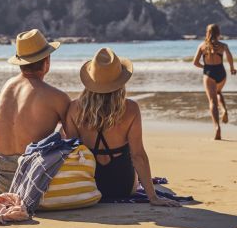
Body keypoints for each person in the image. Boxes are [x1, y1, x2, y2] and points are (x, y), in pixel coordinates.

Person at [65, 47, 179, 206]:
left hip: (90, 185)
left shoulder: (73, 109)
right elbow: (138, 155)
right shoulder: (131, 109)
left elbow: (73, 152)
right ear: (121, 81)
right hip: (123, 185)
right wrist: (153, 197)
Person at [0, 29, 70, 193]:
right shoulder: (57, 97)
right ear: (47, 60)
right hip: (30, 180)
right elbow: (75, 132)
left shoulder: (7, 86)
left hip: (0, 181)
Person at [193, 23, 237, 140]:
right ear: (218, 33)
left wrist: (206, 68)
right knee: (218, 92)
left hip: (209, 74)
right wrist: (232, 68)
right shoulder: (223, 46)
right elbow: (229, 57)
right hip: (221, 73)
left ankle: (217, 127)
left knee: (212, 101)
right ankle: (224, 110)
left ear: (207, 33)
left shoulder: (202, 46)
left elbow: (195, 62)